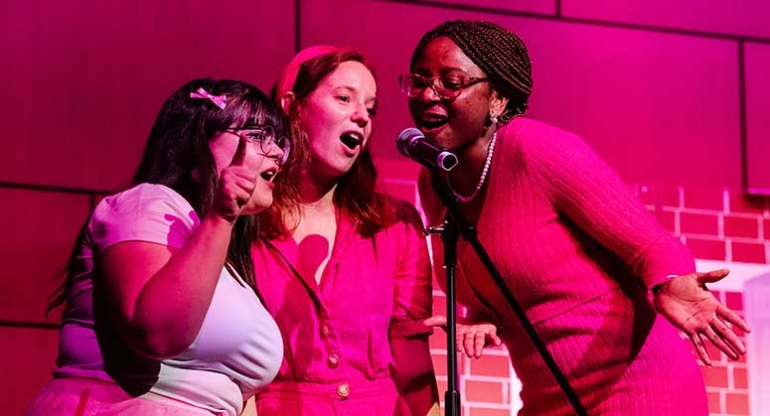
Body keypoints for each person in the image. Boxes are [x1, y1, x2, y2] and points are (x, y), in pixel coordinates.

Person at [401, 19, 752, 415]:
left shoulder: (537, 150)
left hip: (636, 387)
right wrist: (484, 317)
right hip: (548, 397)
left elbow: (651, 245)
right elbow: (499, 276)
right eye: (419, 82)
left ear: (497, 99)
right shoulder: (435, 181)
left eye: (450, 82)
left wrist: (672, 282)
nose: (428, 95)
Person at [23, 79, 289, 416]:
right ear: (199, 140)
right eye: (258, 135)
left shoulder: (226, 261)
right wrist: (221, 217)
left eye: (277, 141)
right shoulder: (148, 204)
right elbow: (157, 334)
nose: (277, 153)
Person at [250, 46, 440, 415]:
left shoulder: (395, 225)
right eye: (344, 98)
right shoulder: (244, 223)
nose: (362, 116)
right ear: (293, 105)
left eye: (371, 108)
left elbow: (413, 362)